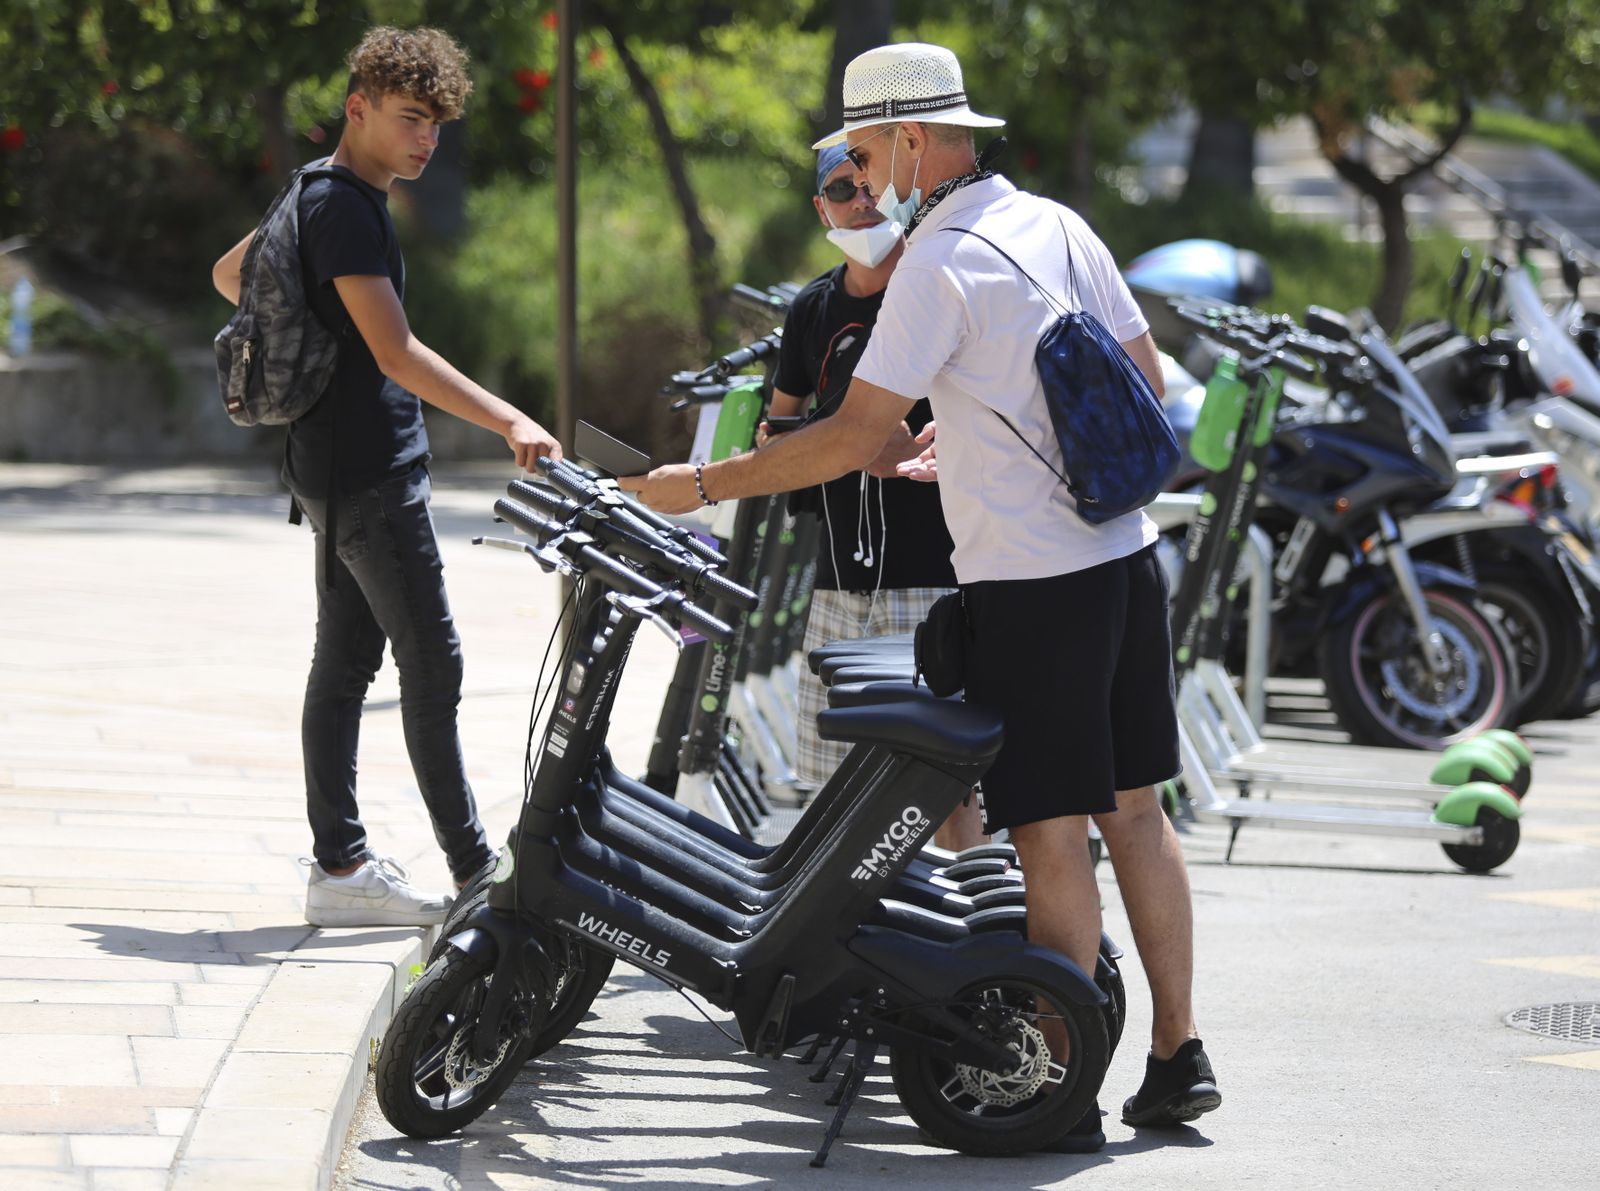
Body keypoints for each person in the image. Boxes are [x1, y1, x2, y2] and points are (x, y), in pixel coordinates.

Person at [621, 42, 1216, 1151]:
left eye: (858, 150)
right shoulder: (1054, 223)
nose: (858, 172)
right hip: (1123, 558)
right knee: (1136, 811)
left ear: (902, 141)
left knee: (1045, 830)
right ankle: (1177, 1056)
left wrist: (697, 483)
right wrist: (1002, 428)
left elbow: (845, 438)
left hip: (1032, 584)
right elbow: (1141, 381)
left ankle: (1055, 1082)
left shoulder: (935, 264)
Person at [211, 26, 561, 928]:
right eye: (409, 119)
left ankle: (340, 867)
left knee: (345, 665)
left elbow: (229, 276)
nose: (424, 140)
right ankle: (477, 873)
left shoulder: (313, 193)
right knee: (430, 664)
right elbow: (398, 353)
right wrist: (510, 417)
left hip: (330, 468)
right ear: (356, 108)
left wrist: (305, 321)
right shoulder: (347, 210)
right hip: (368, 470)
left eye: (435, 125)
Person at [765, 142, 984, 851]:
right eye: (841, 189)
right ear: (819, 207)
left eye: (870, 186)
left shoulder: (928, 288)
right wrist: (831, 441)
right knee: (837, 782)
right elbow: (777, 430)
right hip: (841, 581)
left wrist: (896, 445)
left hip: (936, 574)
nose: (861, 201)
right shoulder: (812, 309)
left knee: (946, 786)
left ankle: (969, 928)